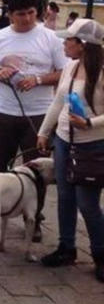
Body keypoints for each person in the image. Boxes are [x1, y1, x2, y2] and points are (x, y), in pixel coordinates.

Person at [37, 18, 104, 282]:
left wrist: (90, 123)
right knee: (65, 196)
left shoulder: (101, 72)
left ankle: (100, 253)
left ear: (83, 45)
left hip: (93, 144)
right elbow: (58, 102)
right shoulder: (70, 67)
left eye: (69, 40)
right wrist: (44, 131)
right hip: (65, 140)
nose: (64, 44)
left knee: (87, 203)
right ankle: (67, 247)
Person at [0, 0, 67, 175]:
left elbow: (64, 72)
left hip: (39, 113)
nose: (27, 18)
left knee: (36, 171)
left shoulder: (51, 38)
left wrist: (38, 79)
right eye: (20, 14)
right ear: (10, 15)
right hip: (4, 112)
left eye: (31, 13)